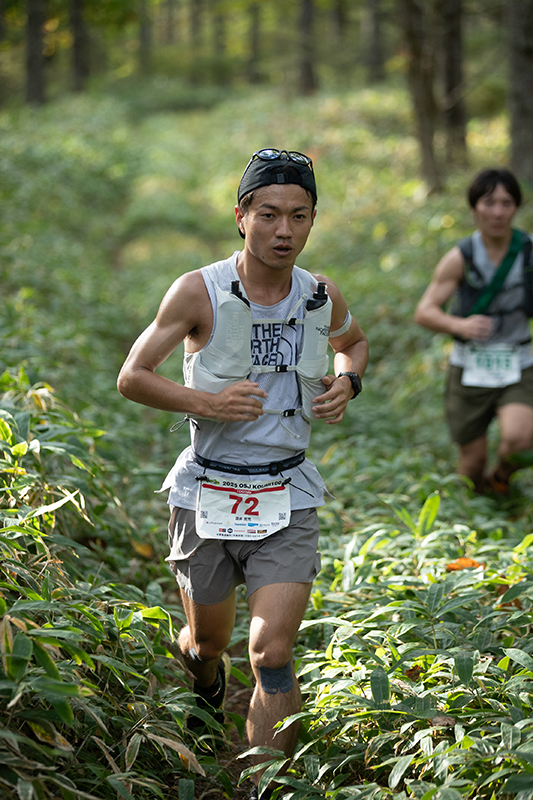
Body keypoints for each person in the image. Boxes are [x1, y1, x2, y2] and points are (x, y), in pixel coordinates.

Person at [117, 148, 368, 800]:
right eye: (268, 215)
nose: (284, 230)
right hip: (207, 491)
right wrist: (207, 403)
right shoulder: (197, 291)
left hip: (287, 493)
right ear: (241, 217)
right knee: (208, 644)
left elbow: (352, 343)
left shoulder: (319, 294)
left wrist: (348, 382)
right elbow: (132, 376)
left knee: (271, 654)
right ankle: (205, 686)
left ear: (312, 220)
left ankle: (262, 786)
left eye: (298, 216)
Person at [414, 168, 533, 495]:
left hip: (518, 362)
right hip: (470, 366)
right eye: (489, 203)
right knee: (471, 463)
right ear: (474, 208)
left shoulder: (528, 252)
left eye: (506, 203)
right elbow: (424, 311)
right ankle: (471, 508)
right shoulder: (460, 257)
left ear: (516, 207)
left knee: (520, 441)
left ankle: (501, 478)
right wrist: (460, 325)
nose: (498, 212)